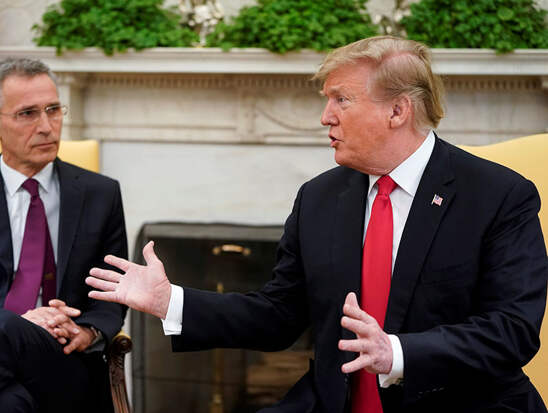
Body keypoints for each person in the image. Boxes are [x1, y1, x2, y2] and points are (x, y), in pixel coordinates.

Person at [86, 36, 548, 413]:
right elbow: (277, 316)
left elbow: (512, 330)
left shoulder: (498, 195)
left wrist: (397, 352)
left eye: (341, 100)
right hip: (332, 402)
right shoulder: (321, 197)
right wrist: (171, 301)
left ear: (398, 111)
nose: (325, 116)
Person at [0, 58, 128, 413]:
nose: (47, 127)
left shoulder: (101, 194)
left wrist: (88, 332)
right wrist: (12, 326)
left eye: (53, 110)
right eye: (28, 114)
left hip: (61, 360)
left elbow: (113, 294)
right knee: (9, 402)